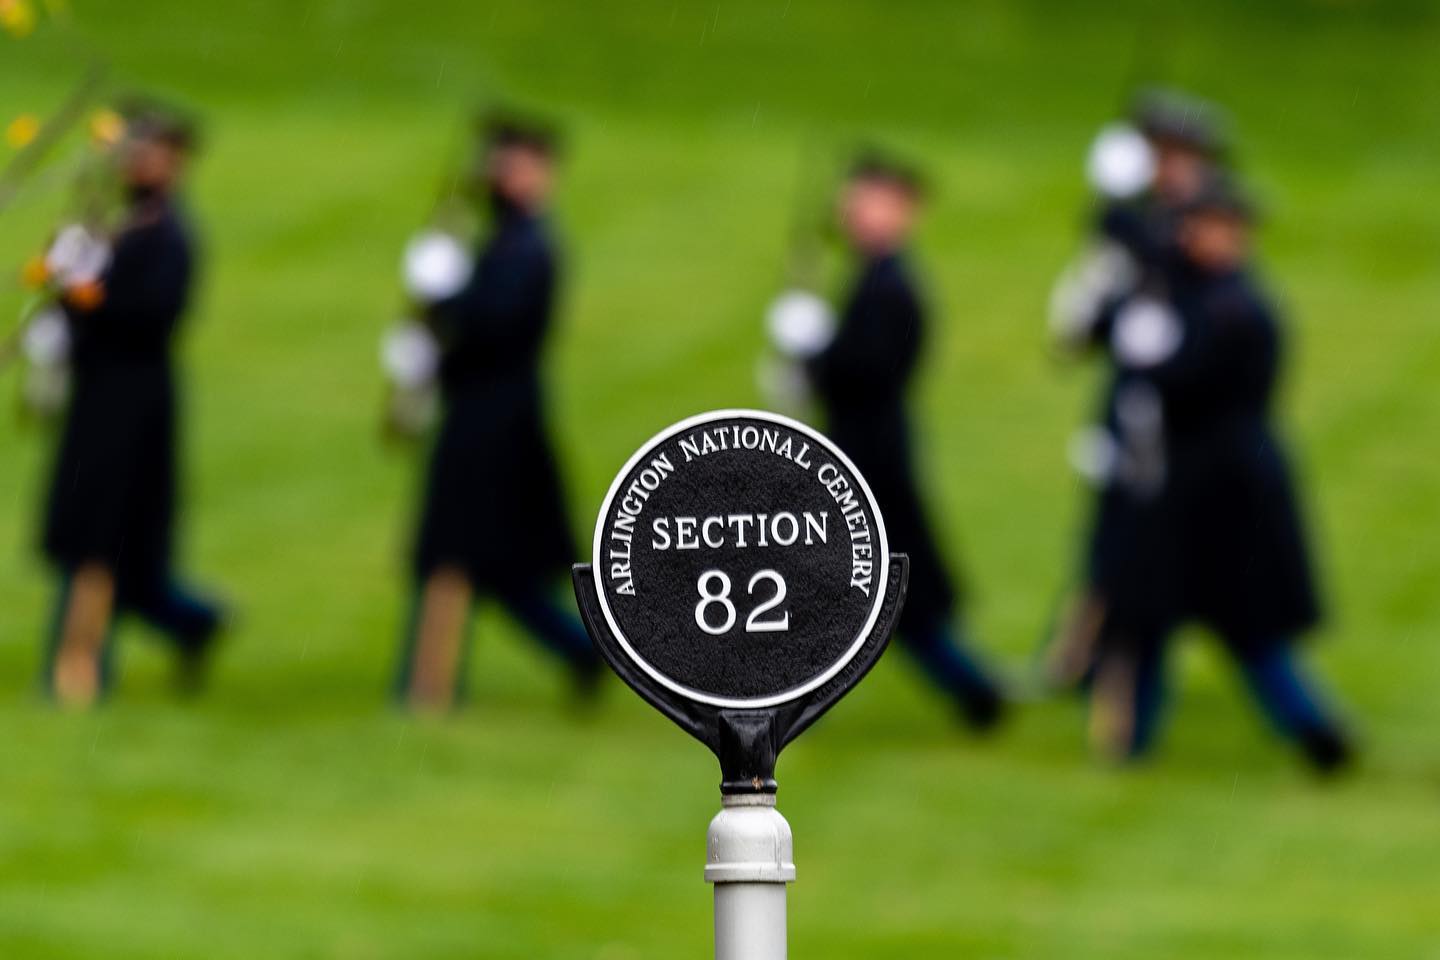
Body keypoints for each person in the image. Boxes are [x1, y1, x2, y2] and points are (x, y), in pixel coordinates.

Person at [1086, 175, 1353, 772]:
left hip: (1227, 489)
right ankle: (1132, 744)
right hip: (1174, 485)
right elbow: (1127, 278)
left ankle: (1314, 730)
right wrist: (1113, 200)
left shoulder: (1241, 309)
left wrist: (1152, 360)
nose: (1222, 238)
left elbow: (1192, 380)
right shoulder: (1178, 285)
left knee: (1245, 625)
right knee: (1147, 615)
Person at [392, 114, 600, 711]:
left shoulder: (529, 247)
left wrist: (444, 299)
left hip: (495, 422)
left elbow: (492, 325)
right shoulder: (501, 239)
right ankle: (580, 651)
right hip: (483, 412)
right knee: (502, 567)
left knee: (453, 550)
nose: (499, 174)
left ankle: (424, 688)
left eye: (514, 163)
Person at [806, 154, 1005, 730]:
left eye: (871, 199)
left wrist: (816, 355)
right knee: (871, 592)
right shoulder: (871, 276)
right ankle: (972, 689)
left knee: (879, 590)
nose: (853, 209)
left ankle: (973, 688)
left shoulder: (892, 287)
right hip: (859, 442)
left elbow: (868, 370)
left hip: (872, 451)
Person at [38, 103, 225, 706]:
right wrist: (65, 293)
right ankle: (192, 621)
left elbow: (152, 316)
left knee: (106, 537)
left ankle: (77, 673)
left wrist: (87, 296)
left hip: (134, 404)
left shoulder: (170, 236)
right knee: (102, 544)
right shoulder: (119, 226)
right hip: (96, 396)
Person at [1044, 91, 1230, 688]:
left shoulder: (1202, 225)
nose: (1167, 168)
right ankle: (1079, 655)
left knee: (1163, 546)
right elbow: (1097, 320)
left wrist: (1117, 211)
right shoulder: (1144, 219)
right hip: (1135, 404)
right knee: (1112, 534)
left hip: (1186, 415)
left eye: (1177, 156)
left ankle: (1107, 657)